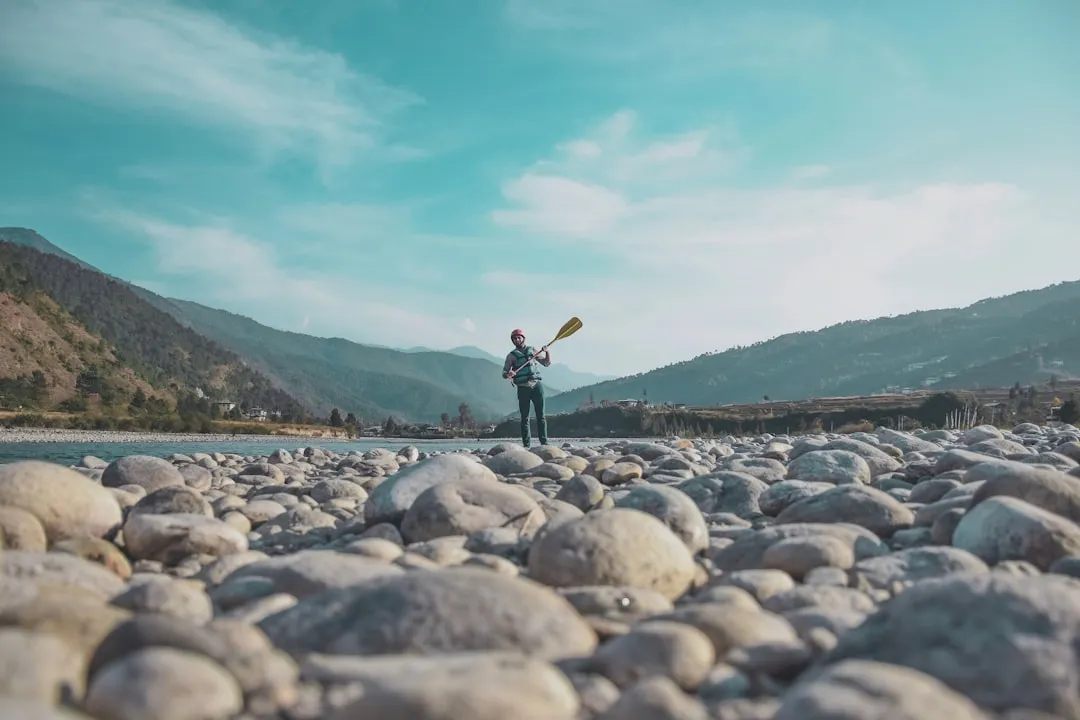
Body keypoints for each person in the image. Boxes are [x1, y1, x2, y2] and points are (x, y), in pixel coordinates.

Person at [502, 328, 551, 447]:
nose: (516, 340)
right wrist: (509, 374)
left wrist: (546, 352)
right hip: (523, 388)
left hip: (536, 385)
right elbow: (504, 373)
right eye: (514, 339)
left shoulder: (533, 350)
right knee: (525, 418)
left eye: (518, 338)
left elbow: (546, 363)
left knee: (541, 416)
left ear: (523, 338)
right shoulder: (511, 356)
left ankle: (544, 443)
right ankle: (526, 445)